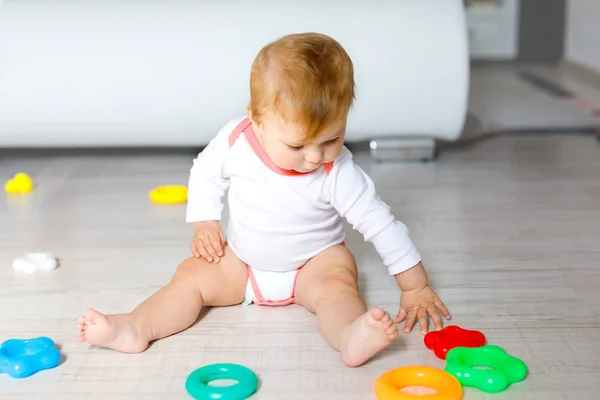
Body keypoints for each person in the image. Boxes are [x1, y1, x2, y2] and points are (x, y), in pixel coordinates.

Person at [77, 32, 450, 367]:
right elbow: (205, 171)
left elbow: (381, 226)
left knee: (338, 284)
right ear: (256, 120)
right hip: (242, 262)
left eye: (332, 139)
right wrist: (206, 221)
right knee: (190, 276)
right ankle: (136, 327)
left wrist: (415, 287)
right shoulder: (236, 140)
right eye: (297, 145)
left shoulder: (340, 173)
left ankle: (349, 336)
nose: (316, 157)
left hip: (313, 264)